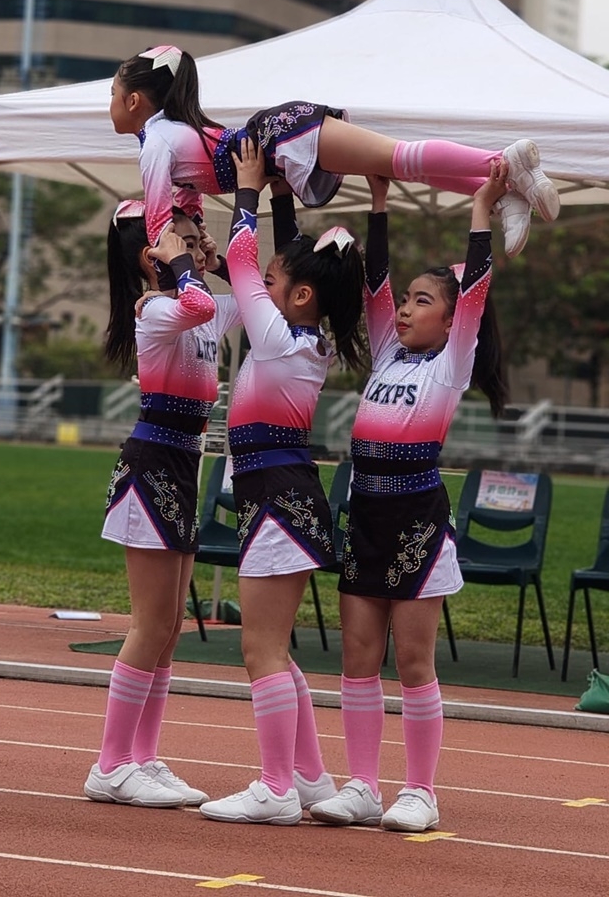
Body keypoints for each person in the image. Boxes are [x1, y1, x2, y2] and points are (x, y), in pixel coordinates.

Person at [309, 161, 509, 833]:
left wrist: (480, 210)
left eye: (422, 301)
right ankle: (363, 785)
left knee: (414, 662)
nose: (404, 308)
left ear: (452, 321)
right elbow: (374, 282)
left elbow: (476, 288)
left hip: (417, 520)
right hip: (366, 513)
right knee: (358, 658)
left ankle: (420, 791)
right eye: (406, 300)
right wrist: (379, 200)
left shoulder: (451, 364)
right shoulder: (388, 355)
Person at [199, 141, 366, 827]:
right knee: (276, 646)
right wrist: (279, 193)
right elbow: (269, 269)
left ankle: (274, 787)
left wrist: (245, 191)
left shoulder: (278, 339)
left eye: (272, 283)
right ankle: (309, 776)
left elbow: (246, 264)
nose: (256, 289)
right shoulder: (297, 336)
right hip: (282, 493)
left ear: (299, 296)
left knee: (259, 649)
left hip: (276, 496)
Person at [109, 45, 560, 260]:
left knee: (400, 158)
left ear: (133, 101)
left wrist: (162, 269)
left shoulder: (158, 141)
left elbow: (157, 217)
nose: (109, 102)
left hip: (280, 137)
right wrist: (199, 232)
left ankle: (503, 162)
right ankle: (502, 194)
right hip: (279, 146)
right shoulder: (168, 134)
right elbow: (184, 202)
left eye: (112, 93)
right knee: (403, 167)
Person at [84, 201, 242, 809]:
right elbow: (197, 304)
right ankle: (109, 765)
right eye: (186, 240)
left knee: (171, 628)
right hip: (151, 467)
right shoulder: (156, 310)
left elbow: (260, 304)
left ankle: (143, 758)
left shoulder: (195, 305)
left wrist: (216, 262)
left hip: (182, 467)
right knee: (149, 624)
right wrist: (183, 268)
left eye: (200, 240)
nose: (197, 247)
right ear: (153, 257)